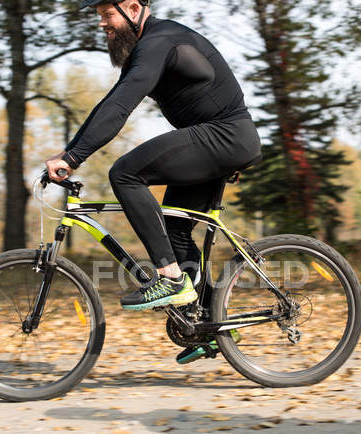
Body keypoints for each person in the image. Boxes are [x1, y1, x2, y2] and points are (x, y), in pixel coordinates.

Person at [44, 0, 261, 316]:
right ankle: (209, 324)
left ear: (133, 9)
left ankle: (170, 278)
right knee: (173, 228)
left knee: (125, 174)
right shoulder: (150, 46)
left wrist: (75, 157)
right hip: (224, 141)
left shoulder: (158, 42)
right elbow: (110, 104)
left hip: (225, 136)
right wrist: (69, 152)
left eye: (107, 15)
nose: (102, 24)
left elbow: (120, 109)